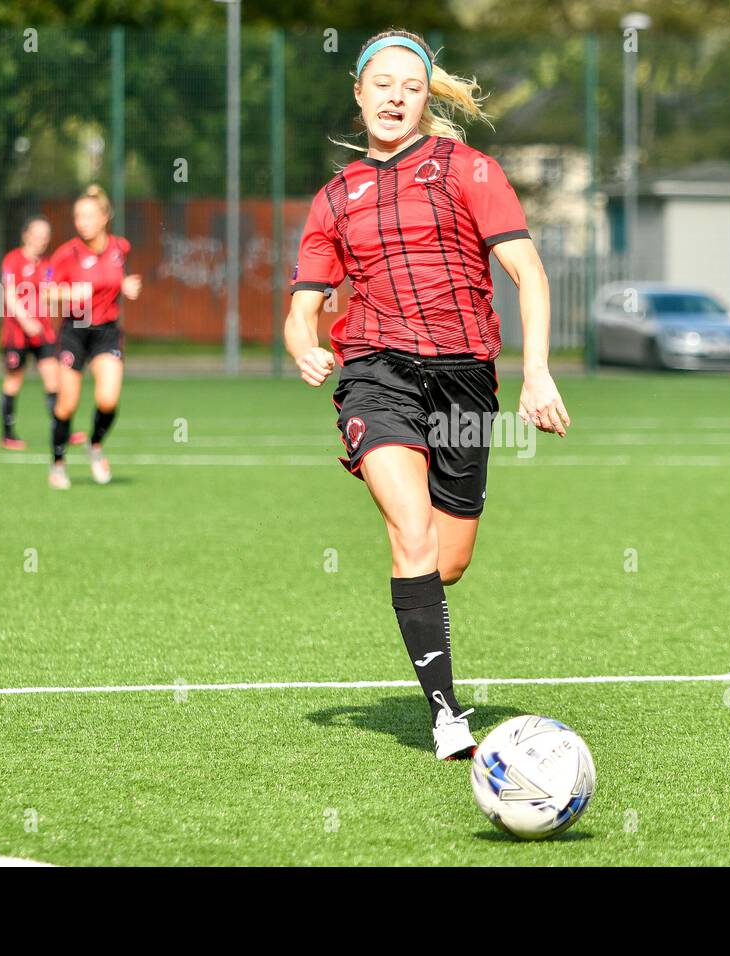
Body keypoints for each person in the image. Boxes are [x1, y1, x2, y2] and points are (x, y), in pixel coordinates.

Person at [284, 29, 570, 760]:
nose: (395, 98)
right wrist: (306, 344)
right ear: (359, 92)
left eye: (410, 88)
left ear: (424, 98)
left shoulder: (469, 170)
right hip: (374, 373)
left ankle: (416, 606)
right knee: (411, 532)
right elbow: (303, 305)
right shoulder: (334, 198)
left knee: (446, 560)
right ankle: (447, 719)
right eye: (381, 85)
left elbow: (529, 275)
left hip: (465, 382)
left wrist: (536, 372)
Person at [44, 185, 141, 490]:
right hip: (75, 329)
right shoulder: (66, 253)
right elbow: (46, 293)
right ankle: (58, 464)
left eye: (88, 216)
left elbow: (114, 276)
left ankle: (95, 445)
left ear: (104, 217)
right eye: (77, 216)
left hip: (107, 332)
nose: (81, 221)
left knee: (108, 399)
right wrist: (70, 293)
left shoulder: (120, 247)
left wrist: (127, 285)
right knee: (66, 406)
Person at [0, 215, 84, 450]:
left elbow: (53, 293)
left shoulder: (48, 264)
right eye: (36, 236)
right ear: (25, 235)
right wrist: (26, 321)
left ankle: (63, 431)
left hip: (43, 333)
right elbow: (9, 294)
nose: (41, 241)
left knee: (54, 380)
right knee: (14, 380)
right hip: (17, 333)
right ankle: (7, 435)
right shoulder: (12, 260)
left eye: (45, 237)